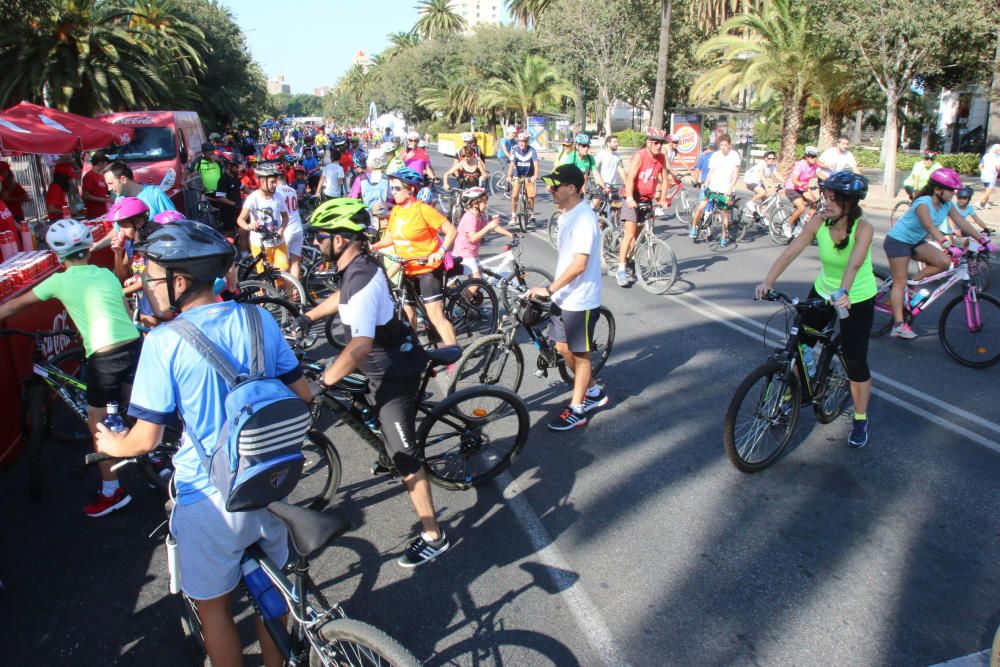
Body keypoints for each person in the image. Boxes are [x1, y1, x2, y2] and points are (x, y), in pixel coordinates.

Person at [95, 219, 309, 667]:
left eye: (151, 277)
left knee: (214, 608)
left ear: (178, 282)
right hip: (268, 480)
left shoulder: (162, 341)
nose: (145, 286)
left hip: (208, 495)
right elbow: (302, 394)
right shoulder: (260, 318)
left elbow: (145, 438)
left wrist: (110, 444)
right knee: (274, 597)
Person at [293, 199, 451, 568]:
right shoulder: (356, 269)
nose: (316, 243)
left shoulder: (361, 276)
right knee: (355, 397)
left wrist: (324, 382)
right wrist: (309, 315)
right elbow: (344, 299)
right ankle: (385, 444)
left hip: (394, 372)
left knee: (405, 458)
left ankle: (434, 535)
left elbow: (360, 346)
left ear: (342, 240)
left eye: (320, 237)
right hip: (381, 363)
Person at [0, 219, 141, 516]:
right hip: (132, 343)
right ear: (89, 248)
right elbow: (123, 313)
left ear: (57, 254)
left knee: (100, 427)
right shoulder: (104, 273)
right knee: (139, 408)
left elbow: (13, 307)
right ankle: (157, 459)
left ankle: (112, 492)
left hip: (104, 355)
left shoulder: (58, 281)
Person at [754, 171, 876, 448]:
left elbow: (854, 264)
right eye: (826, 196)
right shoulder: (819, 221)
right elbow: (790, 251)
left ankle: (860, 417)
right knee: (799, 345)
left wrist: (843, 292)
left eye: (834, 199)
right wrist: (767, 282)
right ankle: (789, 398)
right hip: (823, 290)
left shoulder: (863, 228)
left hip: (855, 295)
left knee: (855, 361)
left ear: (850, 203)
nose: (827, 202)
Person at [526, 165, 608, 431]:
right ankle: (593, 390)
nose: (549, 190)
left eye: (555, 186)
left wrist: (549, 289)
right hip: (564, 295)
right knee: (562, 348)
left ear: (571, 188)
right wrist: (554, 288)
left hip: (580, 300)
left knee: (580, 355)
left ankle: (578, 409)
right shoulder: (566, 215)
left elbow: (579, 265)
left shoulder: (584, 219)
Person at [883, 168, 987, 339]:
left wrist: (982, 239)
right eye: (951, 191)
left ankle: (912, 285)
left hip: (915, 241)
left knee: (944, 262)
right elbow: (930, 226)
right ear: (938, 190)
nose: (954, 194)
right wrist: (947, 244)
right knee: (899, 282)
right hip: (898, 241)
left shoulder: (947, 204)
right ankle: (899, 325)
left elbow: (962, 223)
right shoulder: (923, 203)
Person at [371, 166, 459, 346]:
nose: (393, 192)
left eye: (397, 188)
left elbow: (451, 230)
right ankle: (413, 352)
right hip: (407, 268)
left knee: (435, 315)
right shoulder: (396, 211)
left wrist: (440, 252)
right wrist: (373, 246)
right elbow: (390, 237)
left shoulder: (422, 210)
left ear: (410, 189)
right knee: (408, 313)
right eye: (391, 187)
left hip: (428, 269)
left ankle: (454, 353)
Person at [617, 128, 670, 287]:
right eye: (655, 142)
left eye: (661, 143)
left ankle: (632, 260)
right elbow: (630, 178)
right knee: (630, 233)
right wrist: (630, 197)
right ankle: (621, 269)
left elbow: (665, 180)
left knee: (639, 234)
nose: (659, 146)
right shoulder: (640, 156)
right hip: (632, 196)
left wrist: (662, 199)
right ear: (648, 142)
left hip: (646, 199)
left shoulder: (661, 158)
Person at [688, 133, 741, 247]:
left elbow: (736, 174)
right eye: (721, 145)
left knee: (724, 213)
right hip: (713, 187)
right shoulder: (716, 155)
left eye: (725, 145)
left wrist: (730, 187)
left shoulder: (734, 156)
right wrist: (706, 183)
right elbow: (711, 171)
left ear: (729, 145)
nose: (723, 147)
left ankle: (724, 236)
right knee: (702, 206)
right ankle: (693, 226)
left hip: (725, 189)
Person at [238, 164, 290, 273]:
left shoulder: (278, 196)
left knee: (283, 270)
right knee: (264, 276)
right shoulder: (253, 198)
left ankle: (279, 289)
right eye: (272, 182)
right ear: (262, 181)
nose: (275, 184)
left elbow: (285, 217)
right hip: (260, 244)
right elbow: (240, 219)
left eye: (275, 181)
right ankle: (264, 290)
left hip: (278, 242)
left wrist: (281, 230)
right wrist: (249, 226)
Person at [454, 187, 513, 279]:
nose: (486, 205)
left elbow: (494, 227)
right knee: (477, 281)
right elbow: (473, 238)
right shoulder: (470, 217)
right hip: (463, 253)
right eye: (484, 202)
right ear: (475, 203)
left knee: (481, 279)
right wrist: (488, 227)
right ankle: (466, 294)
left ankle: (470, 293)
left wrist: (511, 235)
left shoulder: (480, 216)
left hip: (471, 253)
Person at [104, 161, 177, 220]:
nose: (109, 188)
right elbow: (119, 231)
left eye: (111, 183)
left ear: (123, 179)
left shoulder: (154, 194)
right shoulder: (118, 201)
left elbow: (176, 222)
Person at [783, 146, 821, 238]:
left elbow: (821, 174)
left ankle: (802, 225)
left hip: (803, 188)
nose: (814, 158)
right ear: (807, 156)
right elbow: (794, 180)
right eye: (812, 156)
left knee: (814, 204)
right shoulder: (800, 164)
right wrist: (803, 185)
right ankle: (787, 225)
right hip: (792, 188)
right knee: (802, 207)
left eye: (815, 156)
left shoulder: (815, 165)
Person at [274, 172, 305, 278]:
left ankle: (276, 290)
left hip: (286, 229)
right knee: (295, 262)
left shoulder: (276, 191)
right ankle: (295, 292)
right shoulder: (292, 190)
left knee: (282, 263)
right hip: (298, 227)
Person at [505, 132, 539, 224]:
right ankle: (513, 216)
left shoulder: (532, 150)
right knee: (514, 196)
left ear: (527, 142)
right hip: (518, 175)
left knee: (531, 196)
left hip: (529, 176)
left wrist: (535, 176)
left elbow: (536, 164)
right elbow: (512, 165)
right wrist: (509, 176)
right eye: (520, 141)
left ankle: (532, 213)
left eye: (523, 141)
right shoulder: (515, 150)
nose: (521, 143)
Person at [211, 153, 244, 235]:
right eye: (235, 166)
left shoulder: (235, 177)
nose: (238, 168)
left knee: (242, 231)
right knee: (229, 233)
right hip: (228, 212)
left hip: (238, 210)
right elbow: (220, 197)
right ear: (229, 166)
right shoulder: (223, 180)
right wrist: (234, 204)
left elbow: (242, 187)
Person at [743, 150, 783, 215]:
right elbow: (762, 176)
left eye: (773, 158)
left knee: (765, 199)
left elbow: (776, 175)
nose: (771, 160)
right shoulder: (761, 164)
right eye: (769, 158)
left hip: (758, 182)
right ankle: (750, 203)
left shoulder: (772, 166)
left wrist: (785, 182)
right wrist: (769, 185)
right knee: (762, 192)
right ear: (765, 158)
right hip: (750, 181)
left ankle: (763, 215)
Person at [81, 152, 110, 219]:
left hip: (105, 213)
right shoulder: (89, 176)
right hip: (94, 215)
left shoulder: (102, 176)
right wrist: (103, 200)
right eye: (106, 164)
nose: (107, 166)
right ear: (100, 163)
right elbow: (86, 196)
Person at [977, 143, 1000, 209]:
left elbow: (980, 166)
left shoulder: (986, 156)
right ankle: (978, 202)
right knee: (989, 190)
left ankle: (987, 204)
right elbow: (998, 168)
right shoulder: (997, 157)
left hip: (984, 176)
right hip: (991, 176)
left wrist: (983, 172)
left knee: (987, 190)